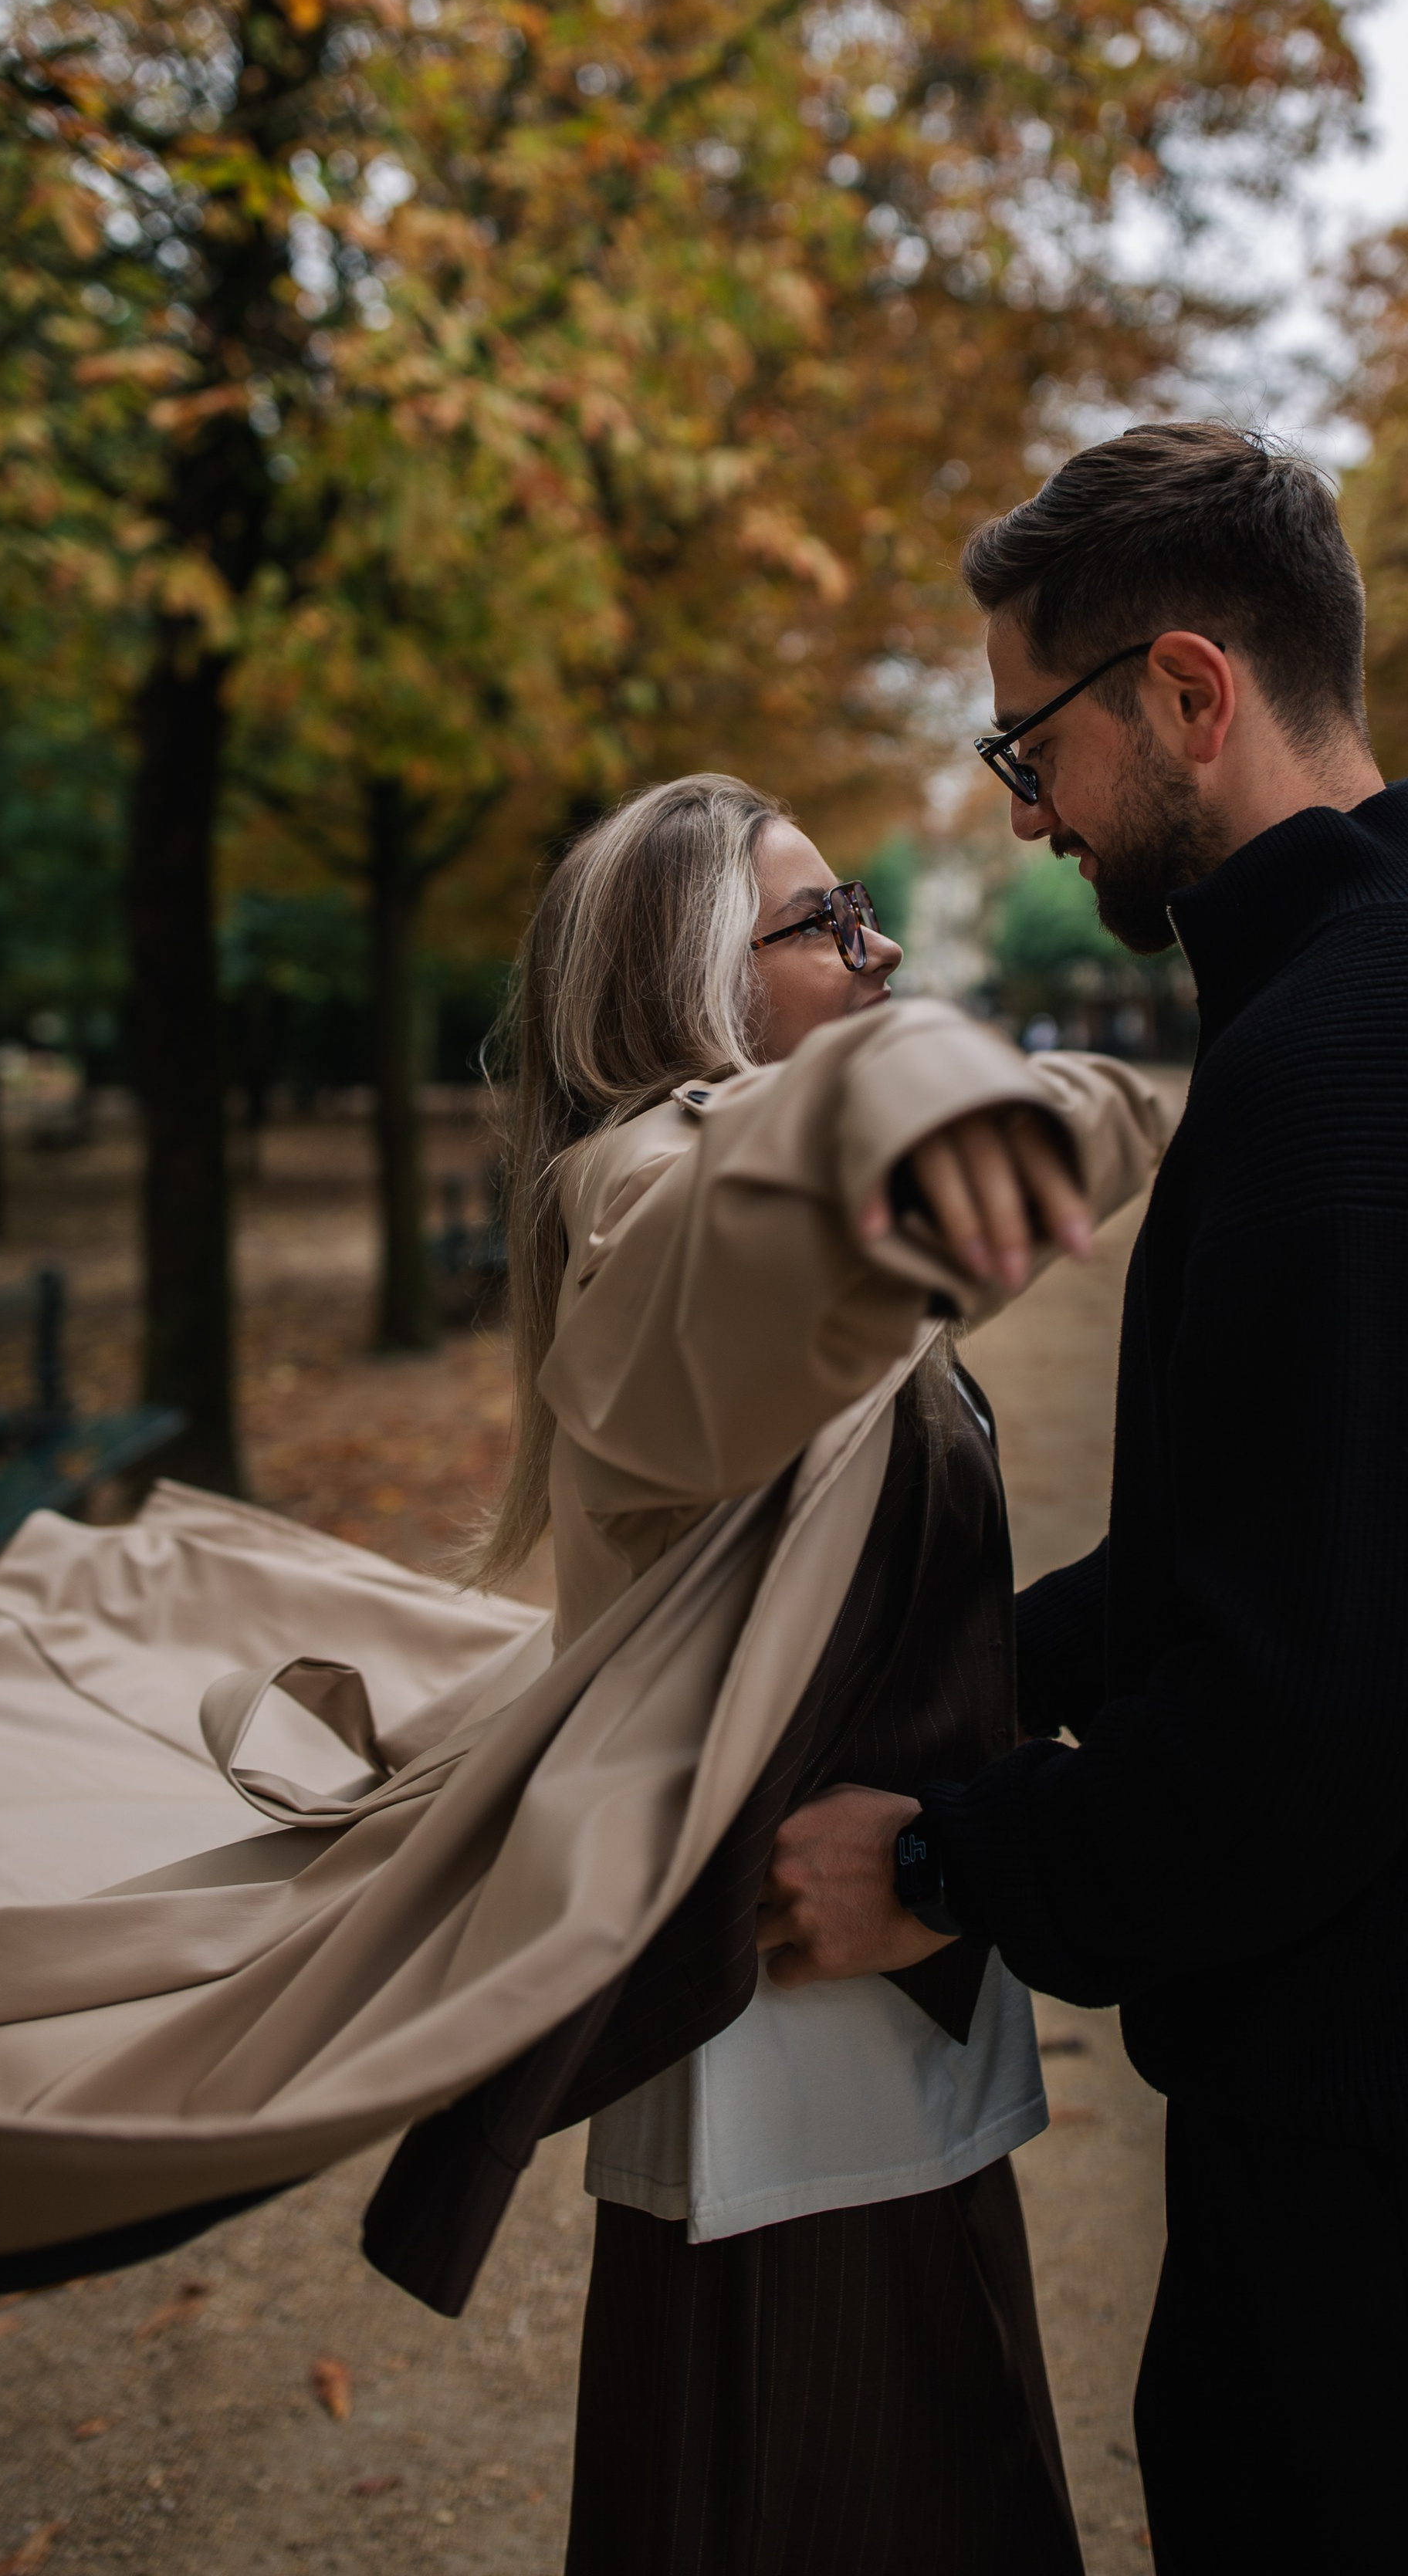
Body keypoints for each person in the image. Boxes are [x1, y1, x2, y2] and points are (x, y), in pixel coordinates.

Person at [759, 424, 1408, 2574]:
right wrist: (958, 1665)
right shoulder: (1403, 978)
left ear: (1189, 693)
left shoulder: (1377, 1052)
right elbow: (1265, 1558)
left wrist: (945, 1861)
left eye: (1036, 749)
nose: (1031, 816)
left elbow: (1316, 1717)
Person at [461, 774, 1163, 2576]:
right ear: (687, 981)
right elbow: (769, 1245)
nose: (878, 946)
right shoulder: (646, 1188)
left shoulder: (721, 1172)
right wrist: (1022, 1106)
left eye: (864, 907)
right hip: (781, 2082)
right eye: (821, 921)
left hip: (857, 2049)